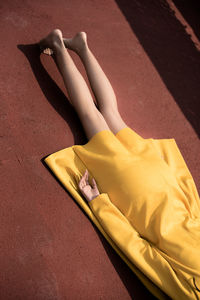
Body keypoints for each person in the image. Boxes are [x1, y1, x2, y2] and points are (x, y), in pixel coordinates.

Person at [40, 29, 200, 300]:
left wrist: (173, 173)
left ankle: (82, 46)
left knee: (111, 112)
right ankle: (58, 44)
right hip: (135, 193)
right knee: (89, 113)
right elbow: (140, 251)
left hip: (164, 182)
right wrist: (98, 203)